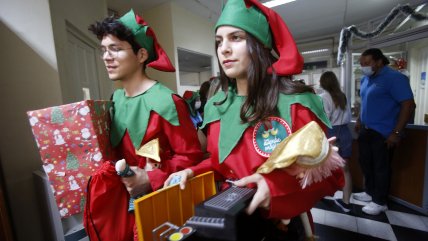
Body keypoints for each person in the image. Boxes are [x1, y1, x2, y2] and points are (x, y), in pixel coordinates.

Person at [164, 0, 344, 239]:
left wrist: (274, 187)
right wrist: (193, 172)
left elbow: (330, 175)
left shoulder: (296, 103)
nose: (224, 49)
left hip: (282, 224)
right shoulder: (218, 106)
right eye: (219, 42)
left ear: (260, 45)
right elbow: (222, 165)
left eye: (236, 38)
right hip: (230, 218)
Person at [85, 10, 203, 241]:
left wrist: (152, 178)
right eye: (104, 50)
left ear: (141, 55)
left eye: (116, 49)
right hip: (123, 211)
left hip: (162, 210)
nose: (107, 57)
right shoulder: (115, 100)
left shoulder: (167, 102)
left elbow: (193, 158)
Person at [354, 48, 416, 215]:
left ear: (379, 61)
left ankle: (380, 201)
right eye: (361, 64)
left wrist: (396, 133)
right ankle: (369, 192)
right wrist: (360, 120)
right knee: (366, 163)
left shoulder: (395, 78)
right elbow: (365, 101)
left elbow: (408, 105)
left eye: (366, 63)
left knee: (381, 167)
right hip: (366, 130)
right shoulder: (367, 79)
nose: (363, 67)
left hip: (383, 132)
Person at [319, 71, 353, 213]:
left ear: (322, 82)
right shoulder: (342, 95)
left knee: (323, 167)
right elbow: (349, 115)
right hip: (345, 132)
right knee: (345, 169)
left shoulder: (322, 97)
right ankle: (346, 202)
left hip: (330, 132)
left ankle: (324, 194)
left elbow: (324, 118)